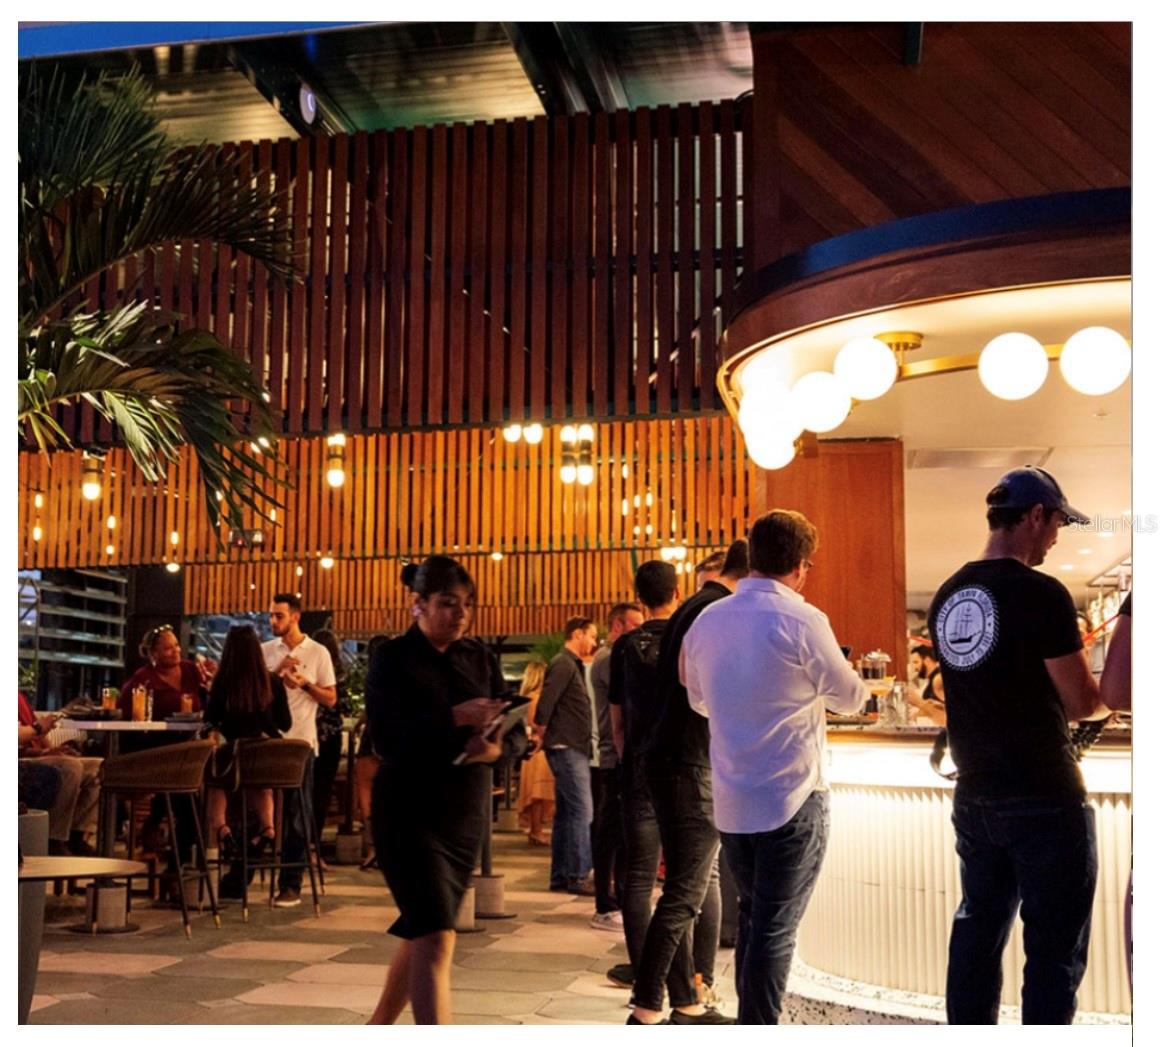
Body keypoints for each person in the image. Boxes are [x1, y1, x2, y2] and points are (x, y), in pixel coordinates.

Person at [929, 466, 1106, 1024]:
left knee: (976, 935)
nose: (1057, 537)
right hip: (1043, 795)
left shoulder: (949, 593)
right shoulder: (1041, 593)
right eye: (1057, 523)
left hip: (976, 797)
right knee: (1053, 954)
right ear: (1034, 516)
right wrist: (1114, 692)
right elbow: (1081, 703)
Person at [682, 511, 867, 1023]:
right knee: (774, 929)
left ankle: (751, 1023)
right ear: (801, 565)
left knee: (754, 918)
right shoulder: (802, 619)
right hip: (792, 796)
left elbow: (697, 699)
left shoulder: (707, 620)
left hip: (732, 799)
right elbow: (849, 698)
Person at [365, 556, 507, 1024]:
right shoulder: (392, 658)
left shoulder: (479, 656)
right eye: (448, 603)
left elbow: (510, 725)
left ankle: (376, 1028)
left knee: (425, 928)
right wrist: (454, 717)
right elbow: (386, 738)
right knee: (437, 934)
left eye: (467, 603)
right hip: (408, 810)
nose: (460, 613)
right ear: (418, 605)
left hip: (462, 814)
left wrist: (496, 747)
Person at [624, 542, 748, 1024]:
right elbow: (709, 690)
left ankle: (686, 1002)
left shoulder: (693, 609)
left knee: (681, 890)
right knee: (683, 895)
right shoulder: (718, 611)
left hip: (662, 760)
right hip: (690, 763)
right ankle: (646, 1009)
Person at [261, 593, 337, 908]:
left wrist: (305, 684)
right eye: (270, 615)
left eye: (278, 615)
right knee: (255, 810)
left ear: (295, 616)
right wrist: (276, 674)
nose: (273, 621)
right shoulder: (265, 651)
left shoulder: (318, 652)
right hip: (266, 742)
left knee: (297, 814)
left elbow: (330, 699)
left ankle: (291, 883)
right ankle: (237, 879)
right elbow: (254, 695)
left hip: (301, 743)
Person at [203, 625, 292, 861]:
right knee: (262, 784)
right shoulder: (273, 681)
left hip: (235, 760)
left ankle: (222, 830)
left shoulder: (223, 683)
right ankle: (268, 828)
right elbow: (285, 724)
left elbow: (209, 720)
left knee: (213, 779)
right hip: (269, 760)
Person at [534, 616, 599, 894]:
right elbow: (547, 701)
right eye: (591, 636)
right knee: (582, 811)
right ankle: (578, 875)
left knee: (566, 814)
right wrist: (540, 732)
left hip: (570, 745)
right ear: (577, 634)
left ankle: (561, 875)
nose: (594, 642)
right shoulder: (563, 663)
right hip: (567, 745)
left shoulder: (570, 664)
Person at [588, 602, 643, 929]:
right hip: (612, 756)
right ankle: (605, 903)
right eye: (635, 625)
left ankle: (620, 898)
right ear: (618, 626)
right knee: (609, 833)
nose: (641, 631)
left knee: (623, 834)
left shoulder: (618, 657)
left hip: (622, 755)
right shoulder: (609, 659)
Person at [18, 692, 101, 856]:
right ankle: (53, 839)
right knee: (70, 768)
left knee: (96, 767)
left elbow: (38, 733)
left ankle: (77, 835)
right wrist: (43, 749)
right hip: (22, 760)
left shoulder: (19, 697)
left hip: (37, 755)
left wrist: (54, 750)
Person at [119, 625, 214, 724]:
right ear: (153, 653)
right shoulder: (143, 678)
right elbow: (123, 714)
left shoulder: (191, 669)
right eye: (168, 648)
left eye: (176, 645)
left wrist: (212, 681)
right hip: (157, 733)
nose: (176, 650)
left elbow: (210, 705)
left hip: (193, 733)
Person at [311, 628, 350, 864]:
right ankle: (314, 848)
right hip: (331, 737)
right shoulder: (338, 674)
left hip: (309, 736)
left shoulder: (310, 672)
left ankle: (305, 847)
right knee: (323, 792)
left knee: (306, 792)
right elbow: (344, 706)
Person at [354, 633, 391, 871]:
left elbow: (371, 708)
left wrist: (360, 723)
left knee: (367, 797)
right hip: (394, 741)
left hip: (371, 741)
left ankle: (373, 848)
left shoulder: (373, 677)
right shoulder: (403, 676)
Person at [515, 661, 555, 845]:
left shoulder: (527, 698)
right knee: (539, 793)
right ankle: (537, 831)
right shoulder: (537, 698)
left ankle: (534, 830)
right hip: (539, 750)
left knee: (535, 793)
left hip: (530, 749)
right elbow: (538, 724)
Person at [907, 644, 946, 725]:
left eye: (916, 662)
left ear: (927, 661)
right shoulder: (932, 680)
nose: (914, 667)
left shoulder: (938, 680)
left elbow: (947, 719)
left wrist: (919, 702)